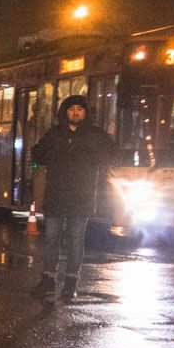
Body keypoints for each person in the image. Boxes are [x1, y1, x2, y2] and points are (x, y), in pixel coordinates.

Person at [30, 94, 114, 301]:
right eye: (71, 109)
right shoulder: (55, 134)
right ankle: (48, 281)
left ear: (85, 113)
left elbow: (112, 155)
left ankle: (70, 283)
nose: (75, 113)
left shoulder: (95, 135)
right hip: (56, 195)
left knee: (76, 242)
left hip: (81, 197)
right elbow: (38, 155)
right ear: (65, 112)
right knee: (52, 241)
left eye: (79, 109)